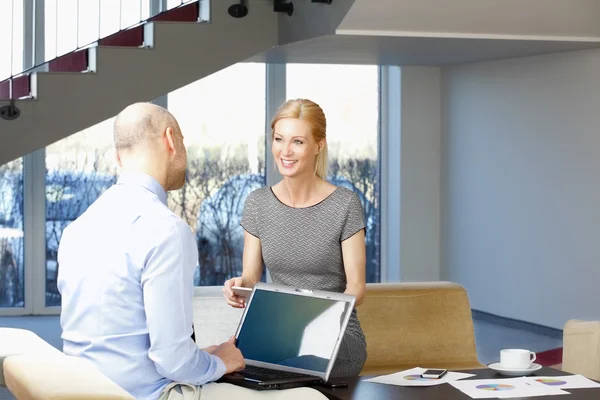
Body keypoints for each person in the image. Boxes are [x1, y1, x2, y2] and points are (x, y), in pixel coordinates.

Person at [57, 102, 245, 400]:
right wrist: (222, 362)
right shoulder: (165, 228)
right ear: (171, 140)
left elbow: (120, 339)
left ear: (120, 157)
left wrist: (202, 358)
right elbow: (172, 360)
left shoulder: (78, 228)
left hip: (83, 390)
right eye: (183, 142)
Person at [223, 98, 368, 377]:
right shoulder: (257, 203)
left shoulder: (345, 204)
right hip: (279, 333)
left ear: (318, 145)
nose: (285, 151)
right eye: (279, 139)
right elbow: (251, 278)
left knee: (284, 368)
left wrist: (315, 323)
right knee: (228, 365)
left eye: (298, 142)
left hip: (335, 336)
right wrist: (239, 286)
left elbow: (357, 288)